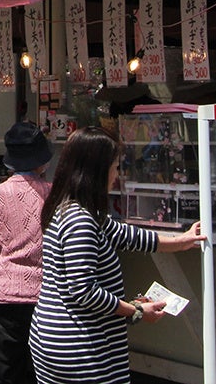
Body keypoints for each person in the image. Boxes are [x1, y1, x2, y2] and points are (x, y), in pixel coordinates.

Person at [28, 128, 204, 384]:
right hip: (79, 348)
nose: (117, 174)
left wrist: (183, 241)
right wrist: (135, 310)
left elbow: (130, 237)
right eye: (115, 167)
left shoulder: (77, 211)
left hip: (60, 341)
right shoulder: (81, 221)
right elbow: (83, 290)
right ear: (95, 171)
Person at [0, 122, 55, 384]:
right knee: (42, 373)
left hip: (4, 297)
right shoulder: (56, 195)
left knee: (4, 374)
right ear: (42, 160)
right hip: (47, 297)